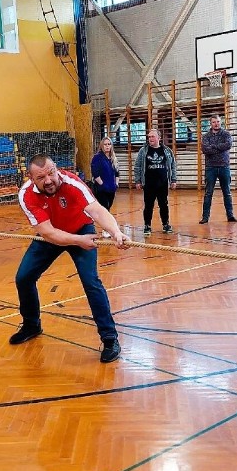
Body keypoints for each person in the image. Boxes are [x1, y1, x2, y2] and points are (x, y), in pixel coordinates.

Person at [13, 155, 129, 363]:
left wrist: (116, 233)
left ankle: (110, 339)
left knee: (91, 282)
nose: (48, 180)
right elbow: (48, 233)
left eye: (51, 173)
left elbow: (97, 210)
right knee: (24, 278)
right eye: (41, 177)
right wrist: (77, 241)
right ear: (30, 178)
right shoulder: (26, 195)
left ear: (56, 169)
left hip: (81, 228)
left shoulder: (72, 183)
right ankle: (32, 325)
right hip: (52, 236)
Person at [133, 129, 177, 235]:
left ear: (159, 138)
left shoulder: (166, 150)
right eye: (149, 137)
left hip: (162, 183)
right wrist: (138, 180)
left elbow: (173, 165)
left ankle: (166, 224)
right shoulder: (143, 151)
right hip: (148, 183)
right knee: (148, 205)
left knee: (164, 204)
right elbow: (137, 166)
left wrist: (173, 179)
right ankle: (147, 225)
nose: (150, 139)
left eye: (153, 136)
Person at [199, 115, 237, 224]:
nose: (216, 124)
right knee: (208, 193)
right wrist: (220, 148)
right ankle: (205, 217)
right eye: (214, 122)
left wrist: (214, 147)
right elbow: (205, 149)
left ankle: (230, 216)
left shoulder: (226, 134)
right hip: (210, 167)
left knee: (227, 192)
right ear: (211, 124)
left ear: (221, 122)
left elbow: (228, 145)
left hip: (224, 166)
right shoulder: (206, 136)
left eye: (218, 122)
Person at [90, 137, 119, 212]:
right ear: (102, 146)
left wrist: (116, 184)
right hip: (101, 189)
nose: (107, 146)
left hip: (112, 189)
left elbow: (117, 173)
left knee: (108, 208)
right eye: (105, 144)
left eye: (109, 144)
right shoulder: (97, 157)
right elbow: (95, 173)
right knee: (105, 210)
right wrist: (102, 185)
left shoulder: (113, 158)